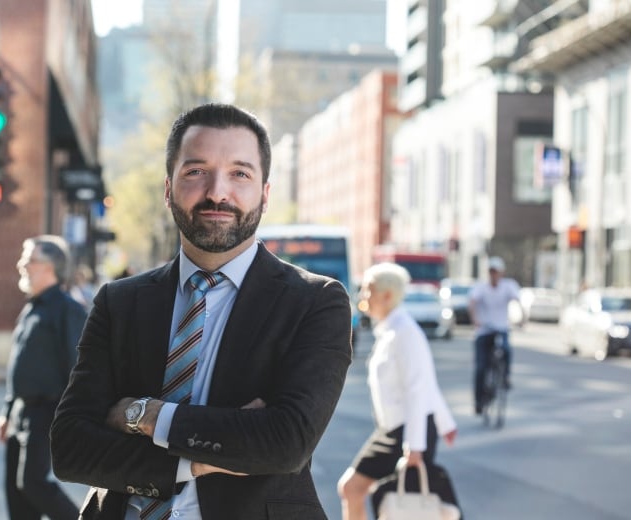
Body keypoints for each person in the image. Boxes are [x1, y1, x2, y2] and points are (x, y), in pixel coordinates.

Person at [50, 103, 353, 520]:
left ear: (265, 194)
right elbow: (70, 449)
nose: (217, 192)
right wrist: (195, 460)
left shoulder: (316, 302)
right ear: (168, 189)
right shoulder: (118, 301)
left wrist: (143, 415)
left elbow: (286, 443)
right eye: (196, 171)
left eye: (240, 174)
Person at [337, 263, 457, 520]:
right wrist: (446, 423)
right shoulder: (391, 329)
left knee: (354, 490)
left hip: (406, 432)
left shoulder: (405, 332)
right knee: (356, 491)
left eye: (369, 290)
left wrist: (415, 447)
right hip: (394, 430)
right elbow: (425, 382)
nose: (363, 297)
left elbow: (419, 387)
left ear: (387, 295)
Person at [0, 234, 87, 520]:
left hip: (47, 411)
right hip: (21, 411)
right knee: (15, 490)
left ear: (50, 267)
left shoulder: (67, 310)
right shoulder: (32, 306)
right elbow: (20, 364)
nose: (22, 265)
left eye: (30, 259)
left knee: (32, 483)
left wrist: (72, 419)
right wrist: (7, 411)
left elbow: (77, 368)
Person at [468, 255, 520, 414]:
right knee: (480, 367)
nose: (493, 275)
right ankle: (478, 401)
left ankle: (505, 377)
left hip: (501, 328)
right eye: (491, 272)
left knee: (507, 349)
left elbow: (518, 301)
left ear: (501, 273)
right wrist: (475, 319)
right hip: (484, 330)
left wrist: (522, 318)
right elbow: (472, 303)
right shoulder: (481, 288)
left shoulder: (508, 286)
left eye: (496, 272)